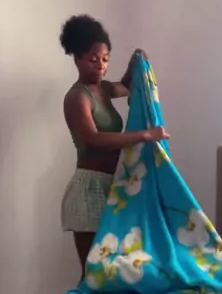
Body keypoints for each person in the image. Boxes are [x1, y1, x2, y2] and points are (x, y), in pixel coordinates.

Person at [59, 14, 169, 280]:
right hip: (89, 189)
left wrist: (134, 63)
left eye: (105, 58)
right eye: (93, 59)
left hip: (110, 185)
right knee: (93, 272)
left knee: (110, 270)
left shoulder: (104, 89)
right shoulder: (78, 97)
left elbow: (128, 86)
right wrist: (145, 135)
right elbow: (93, 139)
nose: (100, 65)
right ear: (76, 58)